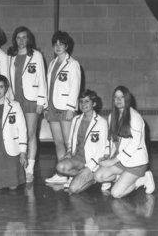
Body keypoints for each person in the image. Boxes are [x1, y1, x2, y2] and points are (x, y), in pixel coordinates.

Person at [94, 86, 155, 198]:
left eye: (122, 97)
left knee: (116, 193)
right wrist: (107, 155)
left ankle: (142, 179)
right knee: (98, 176)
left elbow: (134, 144)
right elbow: (110, 139)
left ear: (127, 99)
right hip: (121, 160)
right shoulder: (112, 116)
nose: (118, 100)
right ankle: (123, 177)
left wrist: (112, 162)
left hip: (136, 162)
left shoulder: (135, 117)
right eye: (116, 97)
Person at [7, 26, 47, 183]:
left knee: (30, 134)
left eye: (24, 37)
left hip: (31, 100)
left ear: (29, 39)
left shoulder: (36, 55)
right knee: (16, 134)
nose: (21, 40)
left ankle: (29, 168)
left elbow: (42, 78)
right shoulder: (11, 56)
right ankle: (18, 167)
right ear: (15, 39)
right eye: (18, 37)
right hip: (15, 100)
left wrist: (41, 102)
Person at [44, 31, 81, 184]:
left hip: (65, 108)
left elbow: (75, 87)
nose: (58, 47)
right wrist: (46, 106)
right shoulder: (52, 64)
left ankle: (73, 175)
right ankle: (61, 173)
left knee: (69, 144)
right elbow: (48, 87)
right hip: (52, 107)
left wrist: (71, 108)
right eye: (55, 44)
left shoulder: (73, 64)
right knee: (58, 142)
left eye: (61, 44)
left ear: (67, 46)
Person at [55, 90, 109, 193]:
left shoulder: (102, 123)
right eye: (81, 101)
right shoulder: (76, 119)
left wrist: (89, 167)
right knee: (60, 166)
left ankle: (94, 178)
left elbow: (102, 150)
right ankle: (83, 177)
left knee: (73, 189)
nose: (83, 104)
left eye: (87, 101)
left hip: (93, 162)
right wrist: (69, 153)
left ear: (94, 103)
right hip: (78, 159)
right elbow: (71, 142)